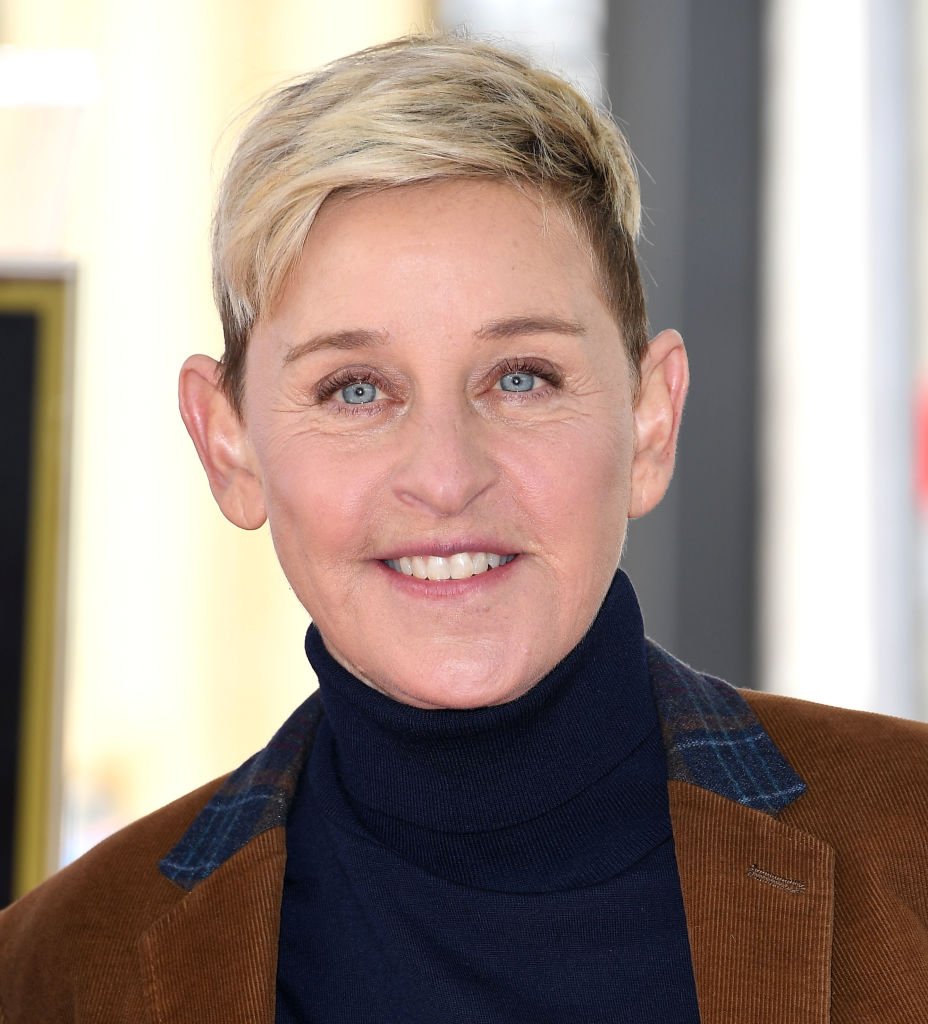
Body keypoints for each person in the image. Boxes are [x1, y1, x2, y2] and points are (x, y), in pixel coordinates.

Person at [2, 32, 927, 1024]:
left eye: (520, 377)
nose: (445, 477)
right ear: (228, 446)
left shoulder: (907, 849)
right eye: (354, 389)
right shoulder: (54, 973)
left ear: (649, 421)